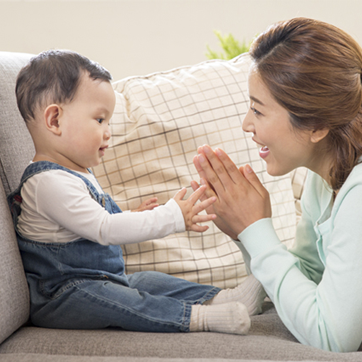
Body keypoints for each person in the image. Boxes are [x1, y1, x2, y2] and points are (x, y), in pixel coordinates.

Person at [8, 49, 266, 335]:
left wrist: (132, 214)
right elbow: (104, 228)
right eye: (99, 120)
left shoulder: (75, 172)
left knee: (148, 281)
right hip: (62, 295)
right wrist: (171, 217)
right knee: (121, 300)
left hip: (101, 279)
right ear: (55, 120)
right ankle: (200, 318)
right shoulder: (47, 183)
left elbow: (94, 218)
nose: (108, 131)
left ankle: (224, 298)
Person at [192, 17, 362, 352]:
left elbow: (332, 337)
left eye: (258, 111)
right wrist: (247, 233)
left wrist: (257, 230)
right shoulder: (323, 180)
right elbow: (307, 284)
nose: (246, 124)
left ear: (315, 125)